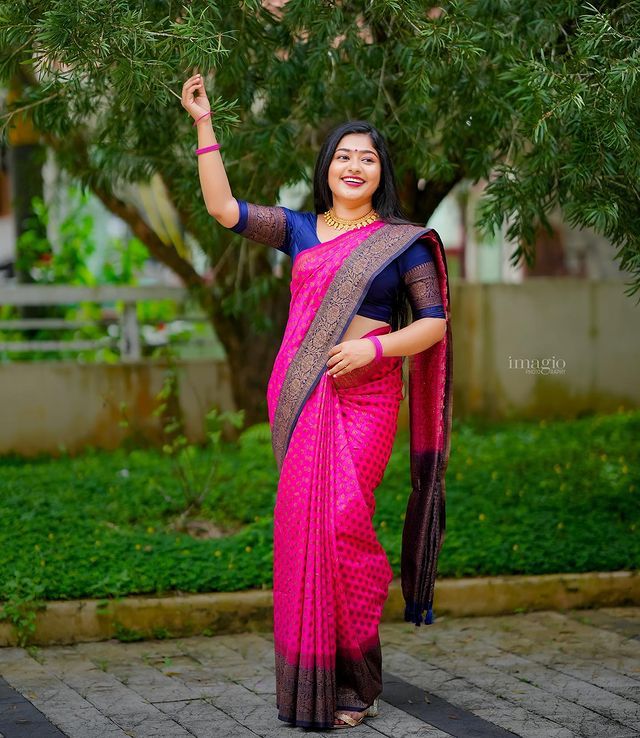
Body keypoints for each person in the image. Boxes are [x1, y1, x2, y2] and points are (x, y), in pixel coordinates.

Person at [181, 73, 453, 730]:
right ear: (326, 168)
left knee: (341, 527)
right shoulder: (301, 229)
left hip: (367, 398)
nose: (354, 165)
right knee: (305, 535)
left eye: (367, 157)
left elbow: (434, 323)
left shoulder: (401, 241)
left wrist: (376, 351)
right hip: (303, 398)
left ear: (379, 171)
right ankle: (317, 686)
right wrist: (203, 124)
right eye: (344, 155)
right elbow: (224, 211)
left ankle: (359, 678)